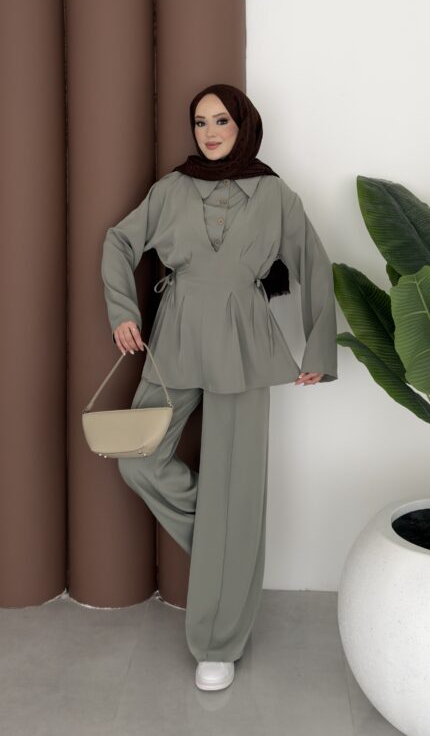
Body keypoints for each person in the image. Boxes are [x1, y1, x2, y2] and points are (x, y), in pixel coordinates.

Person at [100, 83, 338, 692]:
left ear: (243, 126)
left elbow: (313, 262)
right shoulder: (171, 189)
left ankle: (218, 643)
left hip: (245, 343)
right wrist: (123, 311)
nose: (209, 132)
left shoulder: (274, 194)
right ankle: (226, 544)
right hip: (175, 337)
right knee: (138, 459)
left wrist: (317, 349)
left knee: (238, 481)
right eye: (201, 122)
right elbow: (120, 240)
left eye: (221, 121)